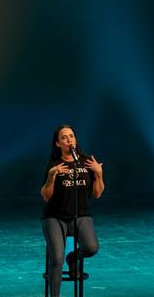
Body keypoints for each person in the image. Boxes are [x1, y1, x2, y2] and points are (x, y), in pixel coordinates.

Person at [40, 124, 104, 297]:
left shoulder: (87, 161)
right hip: (55, 216)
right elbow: (46, 196)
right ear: (57, 143)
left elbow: (97, 194)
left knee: (91, 248)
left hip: (81, 214)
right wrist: (51, 177)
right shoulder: (54, 165)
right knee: (57, 259)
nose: (69, 140)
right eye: (64, 137)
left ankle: (73, 258)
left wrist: (99, 174)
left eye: (71, 136)